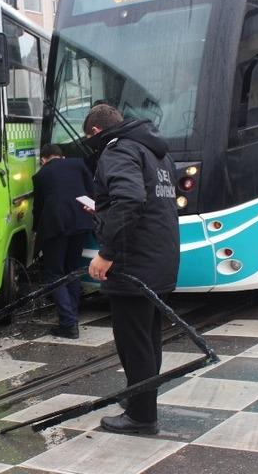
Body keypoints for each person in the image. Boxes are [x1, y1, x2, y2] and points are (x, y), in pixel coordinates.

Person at [83, 104, 180, 435]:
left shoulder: (118, 150)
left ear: (96, 132)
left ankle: (141, 417)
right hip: (161, 259)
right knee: (149, 339)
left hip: (133, 262)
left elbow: (130, 200)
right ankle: (140, 400)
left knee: (133, 341)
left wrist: (107, 252)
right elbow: (152, 201)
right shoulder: (158, 154)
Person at [32, 144, 95, 339]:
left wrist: (36, 232)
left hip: (55, 226)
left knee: (54, 273)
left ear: (43, 159)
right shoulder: (79, 164)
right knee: (72, 269)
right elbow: (91, 191)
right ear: (62, 156)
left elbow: (39, 207)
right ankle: (72, 315)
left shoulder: (41, 175)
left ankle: (68, 323)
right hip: (81, 222)